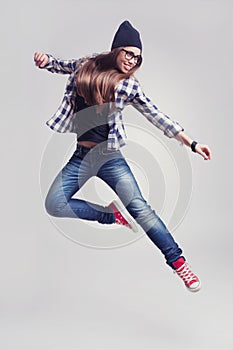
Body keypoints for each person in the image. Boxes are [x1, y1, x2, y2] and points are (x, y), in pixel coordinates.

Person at [34, 20, 211, 292]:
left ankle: (178, 263)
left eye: (137, 57)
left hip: (109, 157)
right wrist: (46, 61)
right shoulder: (86, 65)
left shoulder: (129, 86)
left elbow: (156, 115)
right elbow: (61, 65)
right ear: (116, 49)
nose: (132, 60)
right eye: (128, 53)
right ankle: (110, 215)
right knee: (55, 203)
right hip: (82, 156)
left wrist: (191, 142)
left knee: (140, 209)